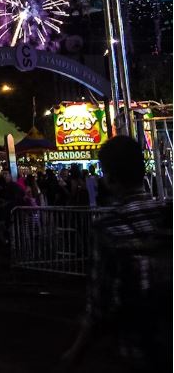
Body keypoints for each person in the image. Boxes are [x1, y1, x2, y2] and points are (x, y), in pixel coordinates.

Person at [63, 136, 172, 370]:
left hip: (137, 344)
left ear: (109, 176)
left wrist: (76, 351)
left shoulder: (108, 226)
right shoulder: (166, 214)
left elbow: (100, 302)